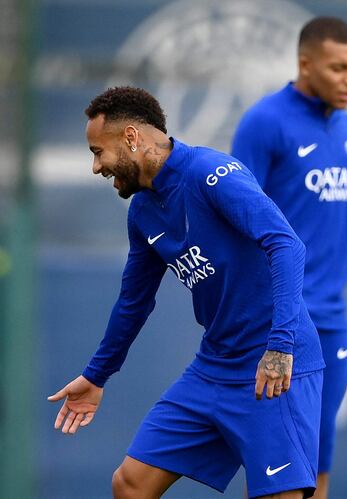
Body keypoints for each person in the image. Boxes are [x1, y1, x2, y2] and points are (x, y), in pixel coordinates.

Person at [47, 86, 325, 499]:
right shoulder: (142, 210)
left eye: (97, 151)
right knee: (130, 484)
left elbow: (287, 245)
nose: (95, 166)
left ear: (130, 138)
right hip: (215, 366)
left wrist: (280, 347)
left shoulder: (212, 174)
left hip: (274, 365)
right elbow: (133, 301)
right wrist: (96, 375)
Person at [231, 16, 347, 499]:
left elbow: (342, 222)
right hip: (281, 324)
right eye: (339, 68)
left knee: (319, 461)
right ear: (305, 64)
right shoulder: (264, 123)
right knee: (280, 471)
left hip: (332, 321)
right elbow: (235, 218)